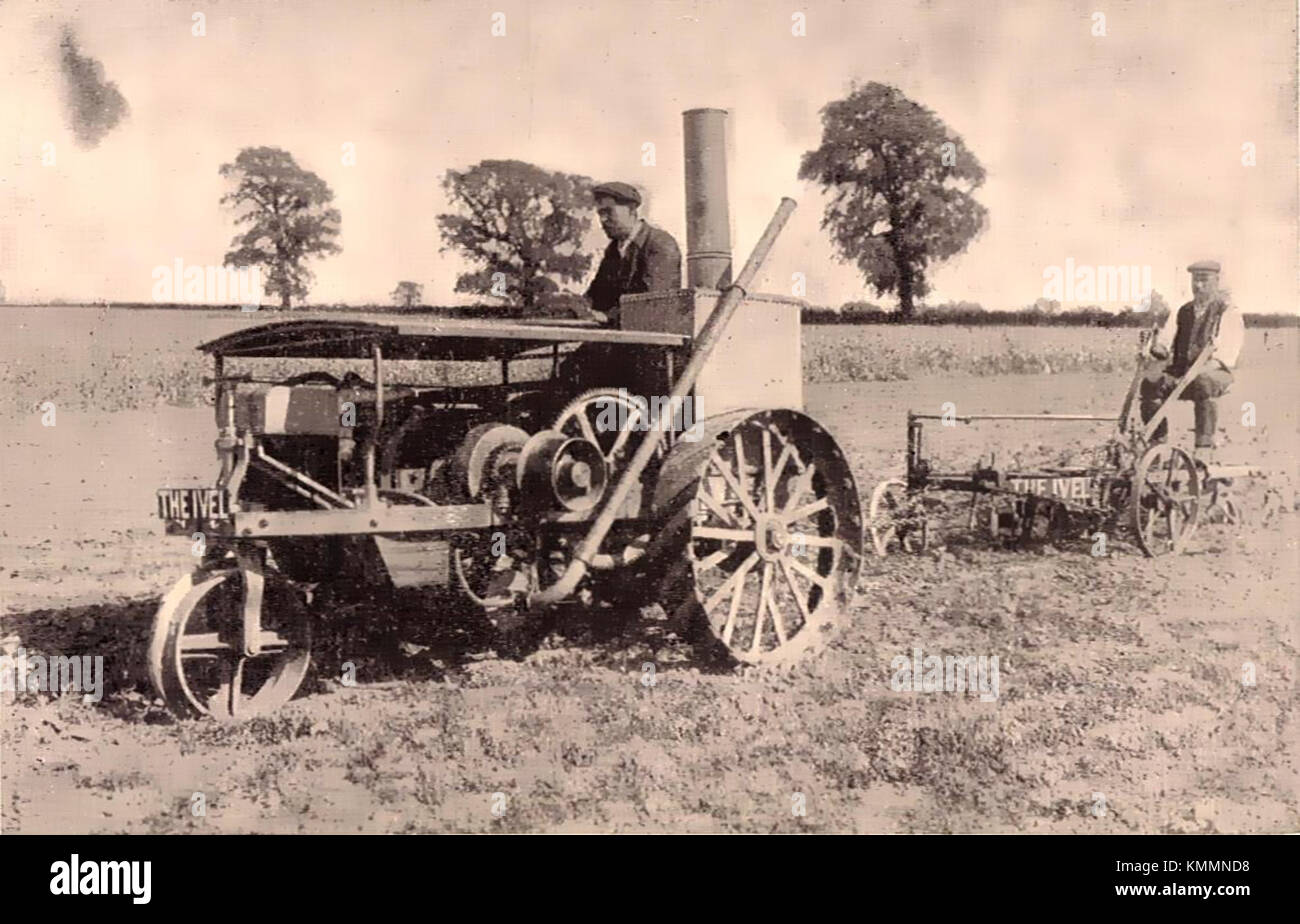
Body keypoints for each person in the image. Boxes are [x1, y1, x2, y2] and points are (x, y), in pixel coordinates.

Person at [1139, 260, 1245, 457]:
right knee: (1149, 384)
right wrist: (1154, 348)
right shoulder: (1183, 311)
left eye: (1204, 280)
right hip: (1182, 373)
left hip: (1216, 373)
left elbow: (1225, 357)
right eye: (1195, 280)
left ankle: (1203, 448)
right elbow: (1165, 344)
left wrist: (1193, 374)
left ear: (1217, 281)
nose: (1198, 285)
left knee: (1203, 382)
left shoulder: (1228, 312)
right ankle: (1157, 443)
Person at [581, 181, 681, 327]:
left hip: (650, 339)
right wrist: (575, 307)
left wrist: (607, 316)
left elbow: (654, 302)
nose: (602, 220)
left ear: (632, 209)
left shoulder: (660, 244)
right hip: (620, 335)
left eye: (609, 211)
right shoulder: (614, 249)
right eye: (600, 213)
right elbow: (596, 295)